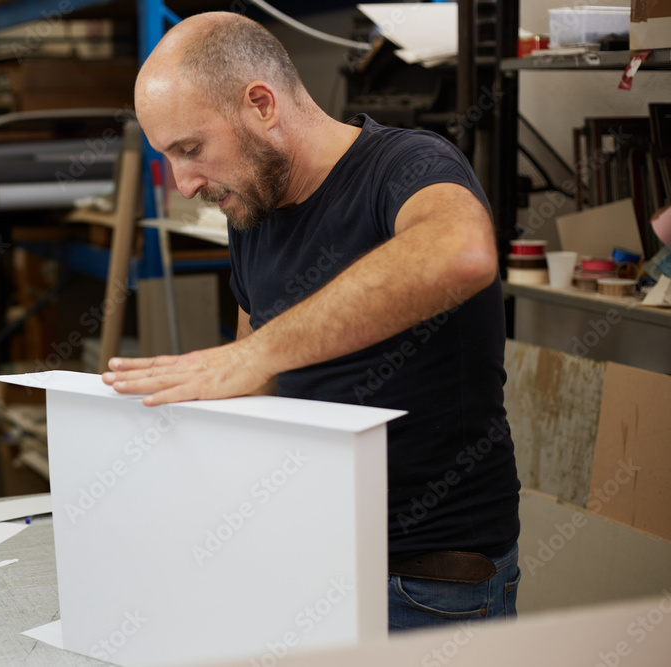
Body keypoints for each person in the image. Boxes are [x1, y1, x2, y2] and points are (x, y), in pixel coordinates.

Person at [101, 12, 521, 631]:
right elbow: (258, 379)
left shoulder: (407, 166)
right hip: (305, 562)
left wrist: (256, 355)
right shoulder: (254, 211)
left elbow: (460, 252)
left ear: (262, 105)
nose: (184, 183)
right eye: (169, 158)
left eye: (191, 150)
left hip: (424, 583)